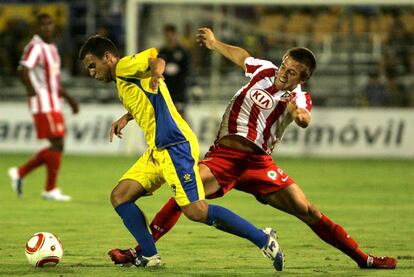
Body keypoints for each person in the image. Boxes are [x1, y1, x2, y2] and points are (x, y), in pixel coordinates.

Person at [108, 27, 397, 270]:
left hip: (259, 164)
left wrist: (299, 116)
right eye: (285, 66)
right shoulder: (265, 70)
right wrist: (214, 43)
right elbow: (242, 57)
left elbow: (305, 117)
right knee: (185, 195)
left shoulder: (298, 96)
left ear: (302, 78)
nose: (284, 73)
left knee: (308, 211)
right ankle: (141, 251)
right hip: (224, 157)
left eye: (292, 72)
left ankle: (364, 259)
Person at [78, 35, 283, 270]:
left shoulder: (124, 66)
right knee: (120, 196)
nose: (91, 72)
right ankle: (149, 255)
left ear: (108, 57)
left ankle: (263, 239)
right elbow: (147, 99)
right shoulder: (124, 81)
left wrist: (156, 73)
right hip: (158, 150)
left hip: (175, 146)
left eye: (93, 65)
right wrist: (126, 117)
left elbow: (157, 59)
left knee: (196, 211)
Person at [8, 13, 79, 201]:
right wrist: (31, 90)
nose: (47, 28)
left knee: (58, 144)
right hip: (43, 103)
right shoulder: (35, 47)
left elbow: (53, 81)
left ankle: (22, 173)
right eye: (43, 25)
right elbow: (22, 69)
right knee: (58, 143)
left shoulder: (52, 48)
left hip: (53, 102)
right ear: (37, 28)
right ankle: (47, 188)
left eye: (50, 24)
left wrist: (69, 99)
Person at [159, 24, 191, 117]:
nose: (169, 37)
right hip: (166, 90)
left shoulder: (182, 52)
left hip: (179, 90)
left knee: (181, 116)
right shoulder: (161, 52)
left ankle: (184, 132)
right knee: (166, 116)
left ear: (175, 35)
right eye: (167, 35)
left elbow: (187, 70)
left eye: (171, 34)